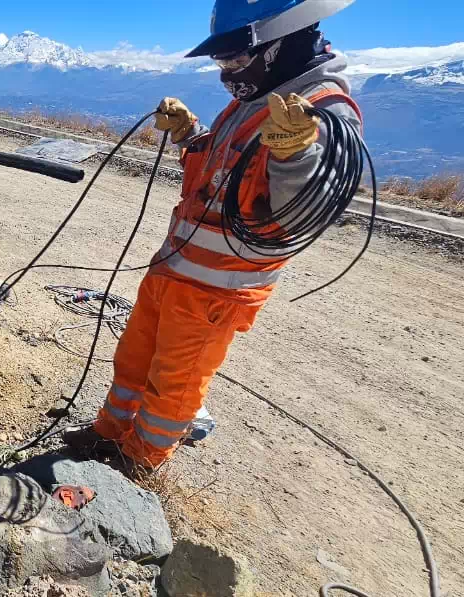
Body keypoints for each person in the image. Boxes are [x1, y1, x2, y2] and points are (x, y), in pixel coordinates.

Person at [65, 0, 363, 470]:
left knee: (173, 386)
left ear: (282, 43)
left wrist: (294, 156)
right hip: (173, 271)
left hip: (215, 291)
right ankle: (108, 435)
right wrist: (189, 135)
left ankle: (139, 466)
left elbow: (296, 218)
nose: (227, 72)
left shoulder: (321, 117)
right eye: (221, 61)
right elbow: (222, 176)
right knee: (134, 364)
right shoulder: (250, 104)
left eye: (235, 60)